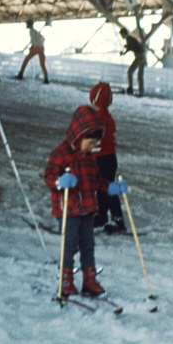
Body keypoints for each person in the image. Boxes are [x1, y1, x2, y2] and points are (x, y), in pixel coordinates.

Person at [43, 105, 128, 297]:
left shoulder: (90, 158)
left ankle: (89, 279)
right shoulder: (61, 153)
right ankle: (66, 281)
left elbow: (97, 181)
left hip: (88, 209)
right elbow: (48, 176)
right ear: (78, 135)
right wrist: (60, 182)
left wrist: (111, 187)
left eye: (95, 142)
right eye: (90, 142)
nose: (92, 146)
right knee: (69, 245)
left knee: (88, 245)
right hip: (69, 211)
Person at [90, 81, 126, 233]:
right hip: (108, 158)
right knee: (102, 188)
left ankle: (118, 219)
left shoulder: (98, 119)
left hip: (102, 158)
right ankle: (102, 214)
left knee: (108, 189)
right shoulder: (107, 118)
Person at [120, 27, 146, 96]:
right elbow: (132, 46)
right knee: (140, 75)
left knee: (130, 71)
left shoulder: (128, 38)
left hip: (139, 56)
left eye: (121, 35)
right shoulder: (130, 38)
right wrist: (127, 47)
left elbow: (130, 47)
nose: (121, 36)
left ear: (123, 33)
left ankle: (130, 88)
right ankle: (141, 92)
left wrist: (124, 52)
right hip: (143, 56)